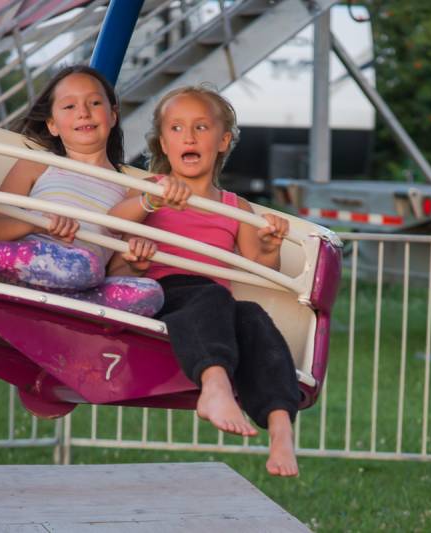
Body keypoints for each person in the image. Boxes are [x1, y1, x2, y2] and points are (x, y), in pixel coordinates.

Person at [108, 85, 301, 476]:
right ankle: (214, 387)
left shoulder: (236, 208)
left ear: (223, 140)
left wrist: (269, 243)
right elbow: (112, 237)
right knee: (210, 296)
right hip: (161, 295)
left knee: (253, 318)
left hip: (213, 307)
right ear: (164, 142)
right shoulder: (147, 191)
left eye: (200, 127)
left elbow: (261, 267)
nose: (189, 136)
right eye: (177, 128)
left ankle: (281, 429)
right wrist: (148, 209)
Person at [0, 65, 163, 317]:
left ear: (113, 115)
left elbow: (113, 272)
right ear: (53, 125)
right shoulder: (37, 164)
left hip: (78, 288)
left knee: (150, 293)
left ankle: (56, 321)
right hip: (27, 271)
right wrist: (37, 224)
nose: (84, 113)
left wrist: (135, 265)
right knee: (83, 264)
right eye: (69, 107)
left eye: (95, 103)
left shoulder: (132, 190)